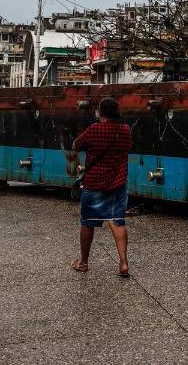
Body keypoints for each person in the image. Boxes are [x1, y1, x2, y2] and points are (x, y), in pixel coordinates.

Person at [70, 96, 133, 277]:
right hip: (117, 183)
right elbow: (128, 148)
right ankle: (123, 263)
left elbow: (76, 145)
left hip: (94, 184)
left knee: (87, 224)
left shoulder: (94, 129)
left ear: (100, 113)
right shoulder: (125, 130)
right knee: (118, 222)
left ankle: (83, 262)